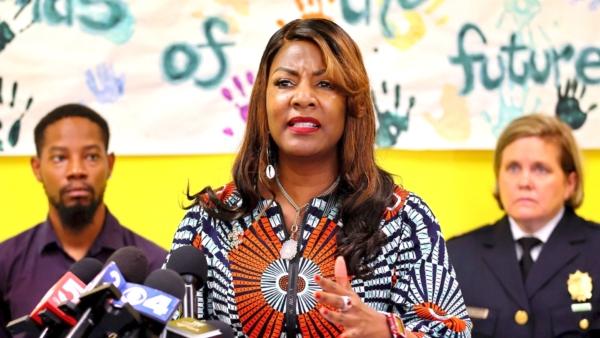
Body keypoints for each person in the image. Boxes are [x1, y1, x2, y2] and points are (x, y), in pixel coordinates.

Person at [168, 18, 471, 338]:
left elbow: (452, 332)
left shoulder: (401, 219)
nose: (302, 98)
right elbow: (169, 326)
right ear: (263, 100)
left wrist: (385, 332)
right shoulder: (212, 219)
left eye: (325, 84)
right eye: (285, 83)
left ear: (351, 104)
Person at [0, 103, 167, 336]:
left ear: (109, 164)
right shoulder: (5, 262)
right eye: (59, 158)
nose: (76, 170)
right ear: (37, 167)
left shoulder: (154, 265)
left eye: (91, 156)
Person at [447, 114, 600, 338]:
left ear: (570, 183)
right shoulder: (457, 257)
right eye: (513, 168)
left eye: (540, 169)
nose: (524, 182)